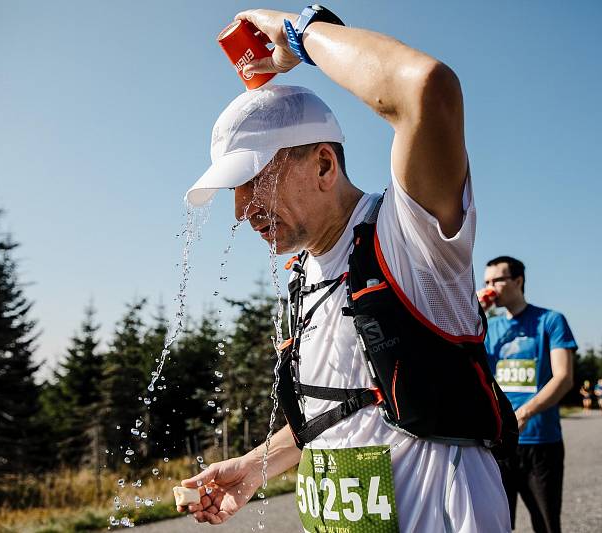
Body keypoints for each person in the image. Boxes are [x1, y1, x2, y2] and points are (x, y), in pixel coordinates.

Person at [177, 6, 512, 531]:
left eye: (253, 182)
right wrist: (255, 466)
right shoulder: (301, 278)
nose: (241, 211)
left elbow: (428, 88)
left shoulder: (409, 238)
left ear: (325, 165)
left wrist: (302, 33)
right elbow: (355, 406)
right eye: (233, 193)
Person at [481, 256, 576, 533]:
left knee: (546, 523)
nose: (490, 287)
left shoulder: (551, 321)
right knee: (498, 524)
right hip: (500, 443)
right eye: (486, 281)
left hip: (541, 442)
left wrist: (525, 412)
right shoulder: (488, 328)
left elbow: (564, 377)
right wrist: (474, 314)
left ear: (518, 281)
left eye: (497, 280)